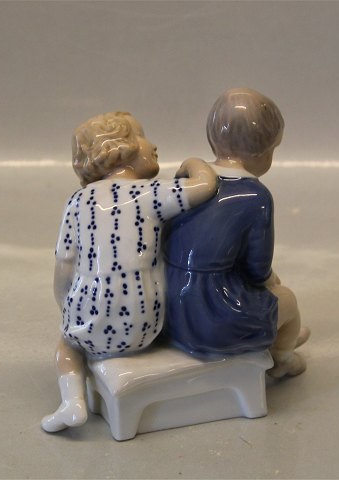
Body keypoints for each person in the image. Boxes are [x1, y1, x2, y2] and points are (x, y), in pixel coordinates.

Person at [41, 111, 218, 432]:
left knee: (67, 347)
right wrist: (193, 162)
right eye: (142, 136)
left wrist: (65, 306)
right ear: (119, 148)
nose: (153, 145)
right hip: (146, 324)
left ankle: (72, 403)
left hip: (89, 320)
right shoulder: (151, 193)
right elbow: (206, 185)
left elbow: (64, 266)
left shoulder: (77, 201)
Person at [163, 88, 310, 378]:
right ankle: (282, 356)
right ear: (263, 152)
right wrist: (270, 280)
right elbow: (257, 270)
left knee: (263, 295)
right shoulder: (255, 196)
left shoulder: (191, 182)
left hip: (170, 309)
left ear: (212, 140)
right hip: (212, 317)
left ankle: (273, 334)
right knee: (287, 300)